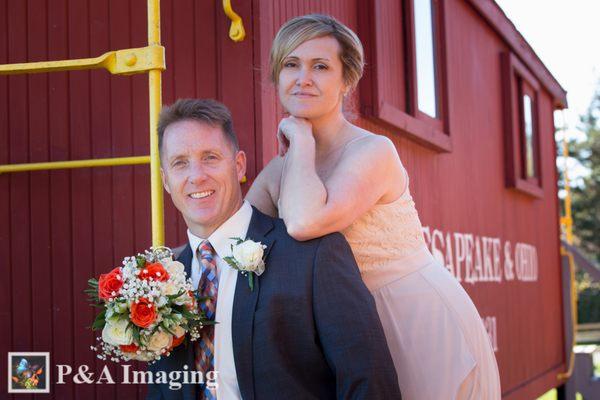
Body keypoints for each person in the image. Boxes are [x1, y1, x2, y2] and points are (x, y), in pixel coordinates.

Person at [245, 14, 501, 400]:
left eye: (320, 66)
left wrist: (299, 136)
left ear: (346, 80)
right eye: (290, 65)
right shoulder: (278, 172)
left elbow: (304, 221)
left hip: (414, 319)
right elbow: (232, 239)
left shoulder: (373, 151)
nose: (303, 78)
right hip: (348, 333)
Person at [146, 98, 401, 400]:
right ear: (165, 180)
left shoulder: (312, 256)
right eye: (180, 163)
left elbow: (369, 381)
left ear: (239, 165)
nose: (196, 175)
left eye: (210, 157)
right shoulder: (157, 284)